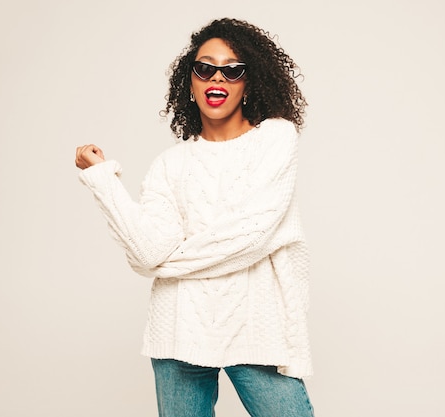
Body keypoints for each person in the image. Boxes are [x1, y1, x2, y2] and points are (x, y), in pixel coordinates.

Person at [74, 17, 314, 417]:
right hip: (178, 328)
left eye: (232, 69)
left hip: (256, 325)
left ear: (248, 82)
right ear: (190, 81)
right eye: (204, 68)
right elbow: (147, 251)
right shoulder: (170, 164)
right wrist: (102, 181)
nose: (216, 77)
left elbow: (250, 235)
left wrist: (169, 265)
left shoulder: (276, 138)